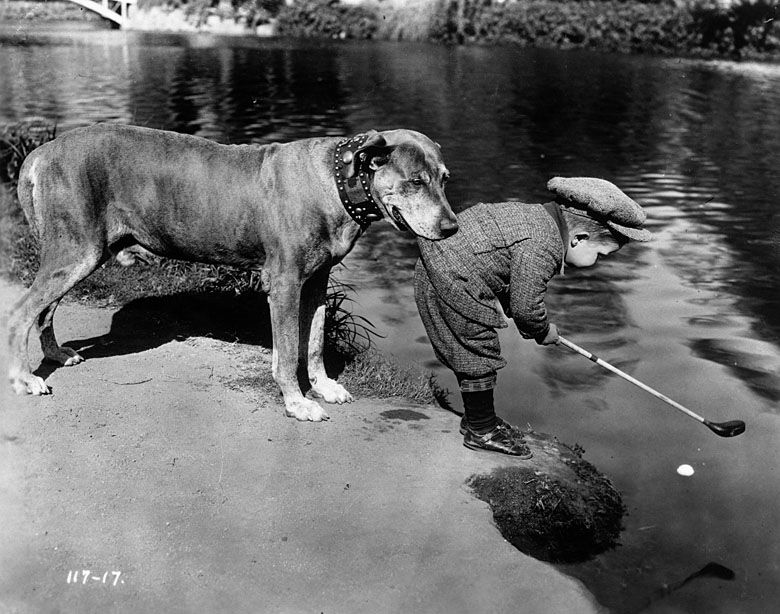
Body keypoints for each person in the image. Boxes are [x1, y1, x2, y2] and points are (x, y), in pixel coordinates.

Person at [414, 177, 653, 457]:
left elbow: (501, 269)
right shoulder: (544, 246)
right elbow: (527, 308)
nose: (598, 262)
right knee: (477, 353)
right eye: (601, 254)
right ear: (578, 239)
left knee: (473, 351)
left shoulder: (536, 219)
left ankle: (478, 420)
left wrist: (522, 314)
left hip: (442, 267)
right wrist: (541, 330)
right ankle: (481, 430)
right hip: (451, 278)